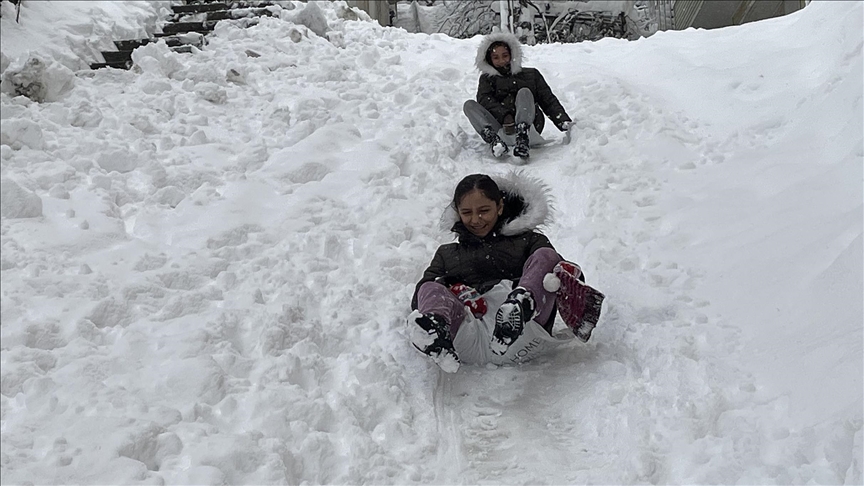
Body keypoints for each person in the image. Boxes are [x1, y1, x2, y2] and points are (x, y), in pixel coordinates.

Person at [408, 172, 587, 372]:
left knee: (547, 257)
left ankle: (520, 306)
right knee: (429, 286)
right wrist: (453, 288)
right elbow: (420, 297)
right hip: (469, 334)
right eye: (467, 213)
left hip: (527, 332)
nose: (476, 219)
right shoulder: (447, 254)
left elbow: (564, 279)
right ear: (458, 213)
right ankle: (437, 331)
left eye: (484, 210)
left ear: (500, 207)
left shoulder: (528, 240)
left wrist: (568, 275)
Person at [463, 32, 574, 160]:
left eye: (505, 55)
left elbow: (548, 100)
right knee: (469, 105)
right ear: (489, 60)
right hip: (501, 130)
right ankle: (494, 141)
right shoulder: (487, 79)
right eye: (496, 57)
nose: (501, 61)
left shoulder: (531, 74)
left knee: (524, 92)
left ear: (512, 55)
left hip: (531, 127)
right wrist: (505, 115)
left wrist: (564, 122)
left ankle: (522, 137)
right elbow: (485, 101)